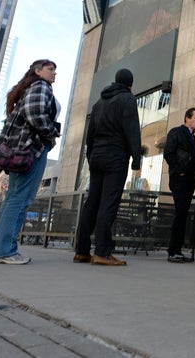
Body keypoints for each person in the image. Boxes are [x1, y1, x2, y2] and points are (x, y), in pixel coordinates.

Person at [0, 59, 61, 264]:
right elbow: (36, 115)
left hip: (19, 151)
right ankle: (4, 251)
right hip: (31, 150)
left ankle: (0, 249)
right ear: (37, 71)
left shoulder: (28, 88)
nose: (54, 73)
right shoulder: (41, 86)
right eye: (50, 69)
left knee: (13, 198)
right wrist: (52, 133)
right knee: (20, 199)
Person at [74, 69, 142, 266]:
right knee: (108, 203)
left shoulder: (99, 103)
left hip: (97, 157)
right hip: (116, 156)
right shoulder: (127, 99)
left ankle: (82, 250)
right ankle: (102, 252)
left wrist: (91, 156)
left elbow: (90, 135)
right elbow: (132, 130)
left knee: (92, 202)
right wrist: (136, 159)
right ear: (130, 84)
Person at [163, 107, 195, 263]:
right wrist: (179, 171)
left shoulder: (193, 138)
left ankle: (177, 250)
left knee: (183, 214)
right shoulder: (176, 132)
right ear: (187, 118)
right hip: (180, 179)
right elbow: (168, 153)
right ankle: (173, 250)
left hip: (189, 180)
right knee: (180, 213)